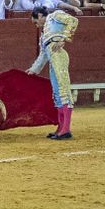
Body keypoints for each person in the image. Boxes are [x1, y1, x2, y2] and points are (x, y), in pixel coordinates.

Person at [27, 9, 78, 139]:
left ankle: (66, 129)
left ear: (39, 15)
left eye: (35, 22)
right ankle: (61, 127)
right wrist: (33, 70)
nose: (36, 25)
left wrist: (64, 39)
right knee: (56, 93)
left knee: (63, 90)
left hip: (59, 56)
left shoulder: (55, 16)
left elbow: (73, 20)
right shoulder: (43, 36)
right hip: (52, 59)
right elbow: (43, 55)